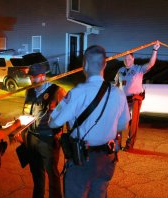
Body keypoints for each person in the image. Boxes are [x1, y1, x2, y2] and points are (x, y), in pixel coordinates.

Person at [49, 45, 130, 197]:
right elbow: (122, 125)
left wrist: (60, 105)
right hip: (107, 159)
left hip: (82, 160)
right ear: (104, 64)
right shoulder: (118, 93)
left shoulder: (77, 93)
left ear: (84, 64)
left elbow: (53, 123)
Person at [22, 63, 66, 198]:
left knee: (52, 175)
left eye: (35, 77)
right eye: (30, 77)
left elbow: (66, 114)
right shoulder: (29, 91)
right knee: (36, 175)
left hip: (48, 139)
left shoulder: (57, 91)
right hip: (32, 138)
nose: (32, 80)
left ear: (43, 77)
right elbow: (25, 113)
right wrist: (21, 131)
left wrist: (60, 132)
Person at [115, 41, 160, 151]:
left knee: (133, 123)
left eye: (129, 58)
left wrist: (155, 50)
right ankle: (117, 144)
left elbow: (151, 64)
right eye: (125, 59)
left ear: (133, 59)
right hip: (123, 99)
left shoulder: (139, 69)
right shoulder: (120, 71)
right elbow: (116, 84)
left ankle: (129, 145)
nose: (127, 60)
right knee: (118, 121)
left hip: (135, 98)